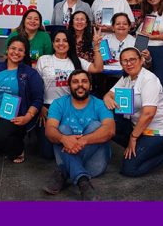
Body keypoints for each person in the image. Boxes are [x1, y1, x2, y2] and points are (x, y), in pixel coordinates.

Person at [44, 69, 115, 200]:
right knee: (62, 129)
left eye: (84, 81)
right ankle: (83, 181)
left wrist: (83, 141)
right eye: (75, 82)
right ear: (69, 86)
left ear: (91, 86)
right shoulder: (58, 103)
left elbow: (110, 130)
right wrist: (63, 138)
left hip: (95, 164)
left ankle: (63, 172)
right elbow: (49, 130)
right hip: (74, 161)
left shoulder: (100, 104)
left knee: (96, 126)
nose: (80, 85)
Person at [35, 29, 103, 158]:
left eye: (65, 40)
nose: (61, 43)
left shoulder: (76, 61)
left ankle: (71, 151)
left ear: (70, 43)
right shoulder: (44, 60)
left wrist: (97, 48)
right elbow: (36, 86)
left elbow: (98, 68)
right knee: (48, 154)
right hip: (47, 108)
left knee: (69, 142)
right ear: (53, 44)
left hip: (71, 107)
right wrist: (39, 107)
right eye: (57, 40)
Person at [0, 35, 44, 163]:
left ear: (25, 53)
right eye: (13, 48)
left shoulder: (30, 74)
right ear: (7, 49)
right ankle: (7, 140)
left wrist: (27, 117)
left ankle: (18, 149)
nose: (16, 52)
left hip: (17, 117)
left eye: (20, 50)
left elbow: (38, 99)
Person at [104, 47, 163, 177]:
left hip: (156, 131)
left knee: (129, 169)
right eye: (124, 61)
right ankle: (143, 147)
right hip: (137, 128)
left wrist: (133, 137)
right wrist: (107, 97)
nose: (129, 63)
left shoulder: (149, 79)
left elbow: (149, 113)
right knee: (108, 125)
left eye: (132, 59)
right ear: (121, 64)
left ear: (141, 60)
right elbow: (109, 94)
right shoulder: (127, 78)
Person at [137, 0, 163, 87]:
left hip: (161, 52)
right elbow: (142, 37)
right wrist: (140, 50)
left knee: (160, 86)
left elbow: (150, 36)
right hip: (146, 54)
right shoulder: (147, 14)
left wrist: (154, 37)